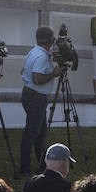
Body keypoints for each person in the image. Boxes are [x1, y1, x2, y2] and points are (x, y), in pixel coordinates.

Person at [20, 26, 60, 176]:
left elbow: (24, 71)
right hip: (35, 97)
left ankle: (43, 165)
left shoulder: (34, 51)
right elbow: (37, 78)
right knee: (32, 133)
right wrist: (54, 74)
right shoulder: (42, 56)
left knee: (40, 133)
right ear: (49, 40)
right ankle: (25, 168)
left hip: (31, 95)